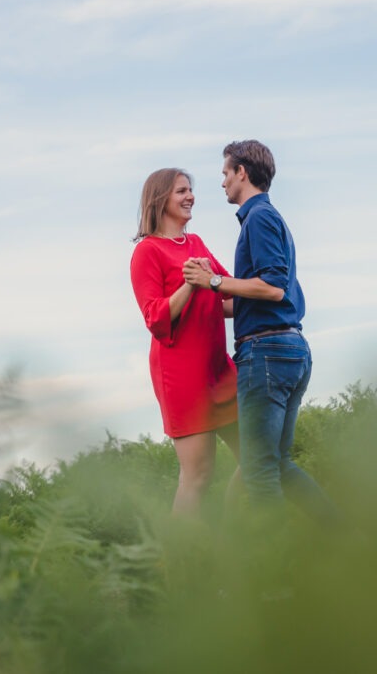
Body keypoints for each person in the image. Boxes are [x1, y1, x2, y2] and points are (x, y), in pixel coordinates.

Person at [182, 140, 340, 525]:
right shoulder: (267, 218)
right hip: (288, 350)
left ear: (242, 172)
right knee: (278, 464)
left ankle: (278, 567)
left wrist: (214, 280)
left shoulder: (259, 219)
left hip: (267, 354)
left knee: (258, 471)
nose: (221, 183)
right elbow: (258, 297)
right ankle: (344, 537)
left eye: (224, 174)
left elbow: (272, 288)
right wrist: (204, 300)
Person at [130, 168, 241, 517]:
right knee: (198, 476)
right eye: (181, 191)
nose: (190, 196)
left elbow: (225, 295)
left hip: (219, 369)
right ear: (160, 198)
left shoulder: (195, 244)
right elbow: (155, 317)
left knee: (259, 457)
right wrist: (191, 284)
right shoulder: (146, 252)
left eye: (190, 189)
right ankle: (179, 566)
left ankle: (235, 538)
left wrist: (264, 299)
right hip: (182, 376)